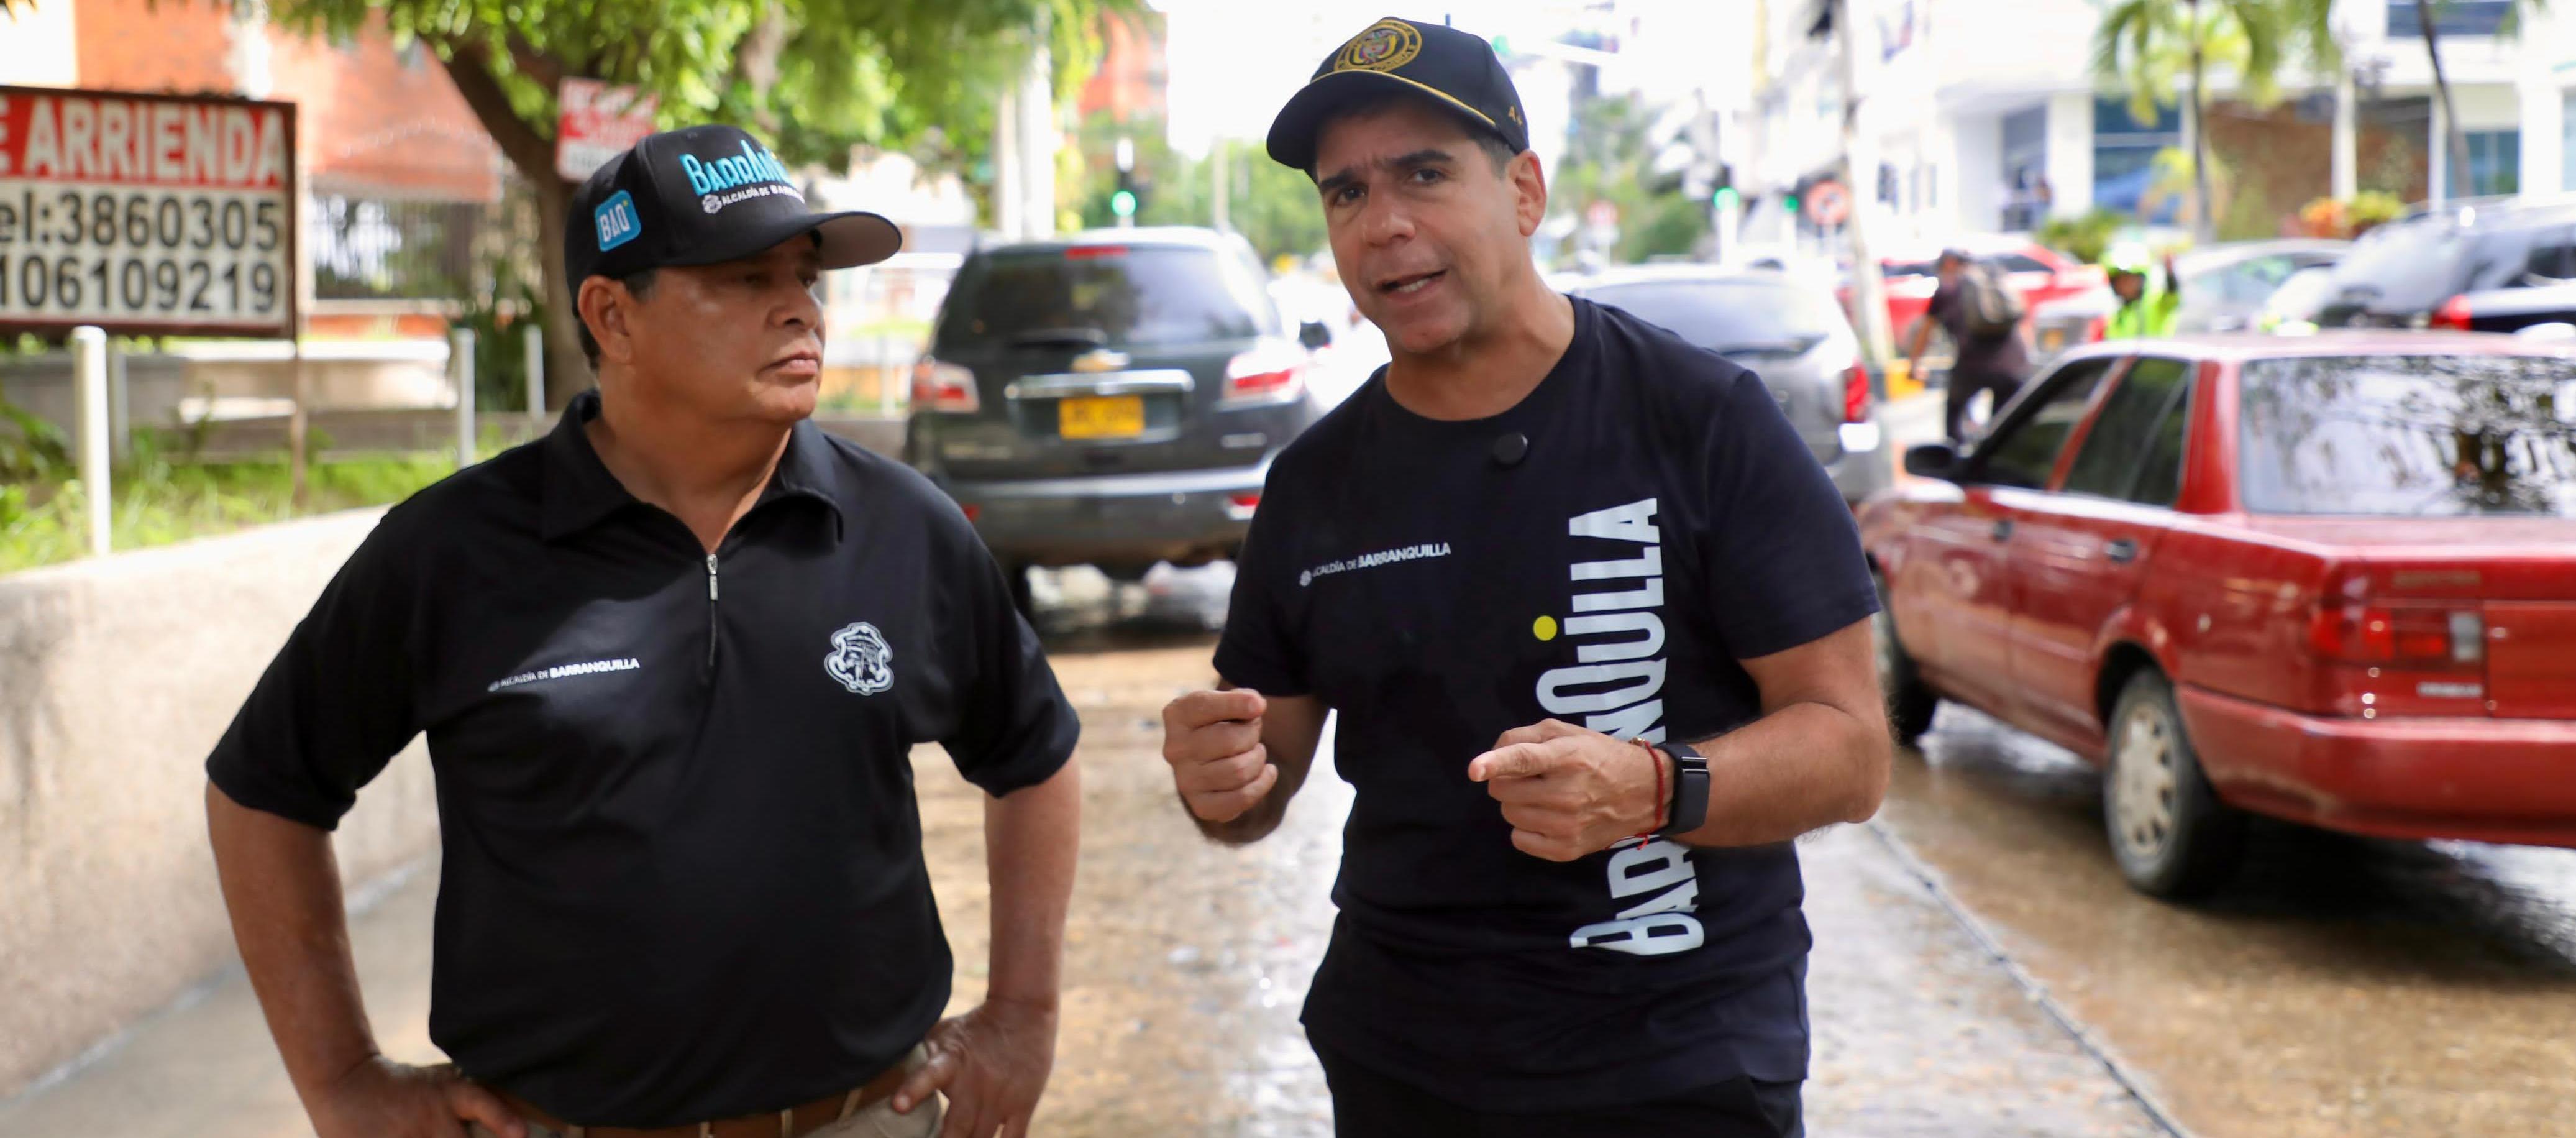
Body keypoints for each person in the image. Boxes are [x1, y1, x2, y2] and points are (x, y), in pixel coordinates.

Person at [203, 125, 1082, 1138]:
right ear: (613, 316)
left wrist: (1024, 1016)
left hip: (860, 1120)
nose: (800, 307)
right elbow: (263, 793)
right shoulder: (451, 552)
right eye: (746, 278)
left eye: (804, 275)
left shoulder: (903, 527)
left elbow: (1034, 755)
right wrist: (346, 1079)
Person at [1157, 19, 1891, 1137]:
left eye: (1424, 172)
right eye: (1346, 192)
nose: (1385, 222)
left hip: (1678, 1059)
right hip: (1408, 1058)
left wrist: (1655, 789)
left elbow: (1850, 749)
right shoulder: (1313, 485)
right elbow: (1261, 789)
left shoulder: (1700, 420)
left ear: (1524, 190)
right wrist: (1221, 782)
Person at [1905, 248, 2032, 444]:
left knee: (1953, 424)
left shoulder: (1949, 288)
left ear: (1949, 263)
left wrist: (1914, 364)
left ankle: (1958, 465)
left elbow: (1926, 331)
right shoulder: (1996, 280)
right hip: (2013, 364)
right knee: (2005, 429)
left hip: (1972, 366)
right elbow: (2022, 323)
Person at [2102, 244, 2183, 339]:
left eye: (2129, 280)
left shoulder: (2155, 303)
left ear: (2141, 280)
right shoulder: (2116, 316)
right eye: (2120, 281)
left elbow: (2173, 298)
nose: (2124, 285)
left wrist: (2170, 274)